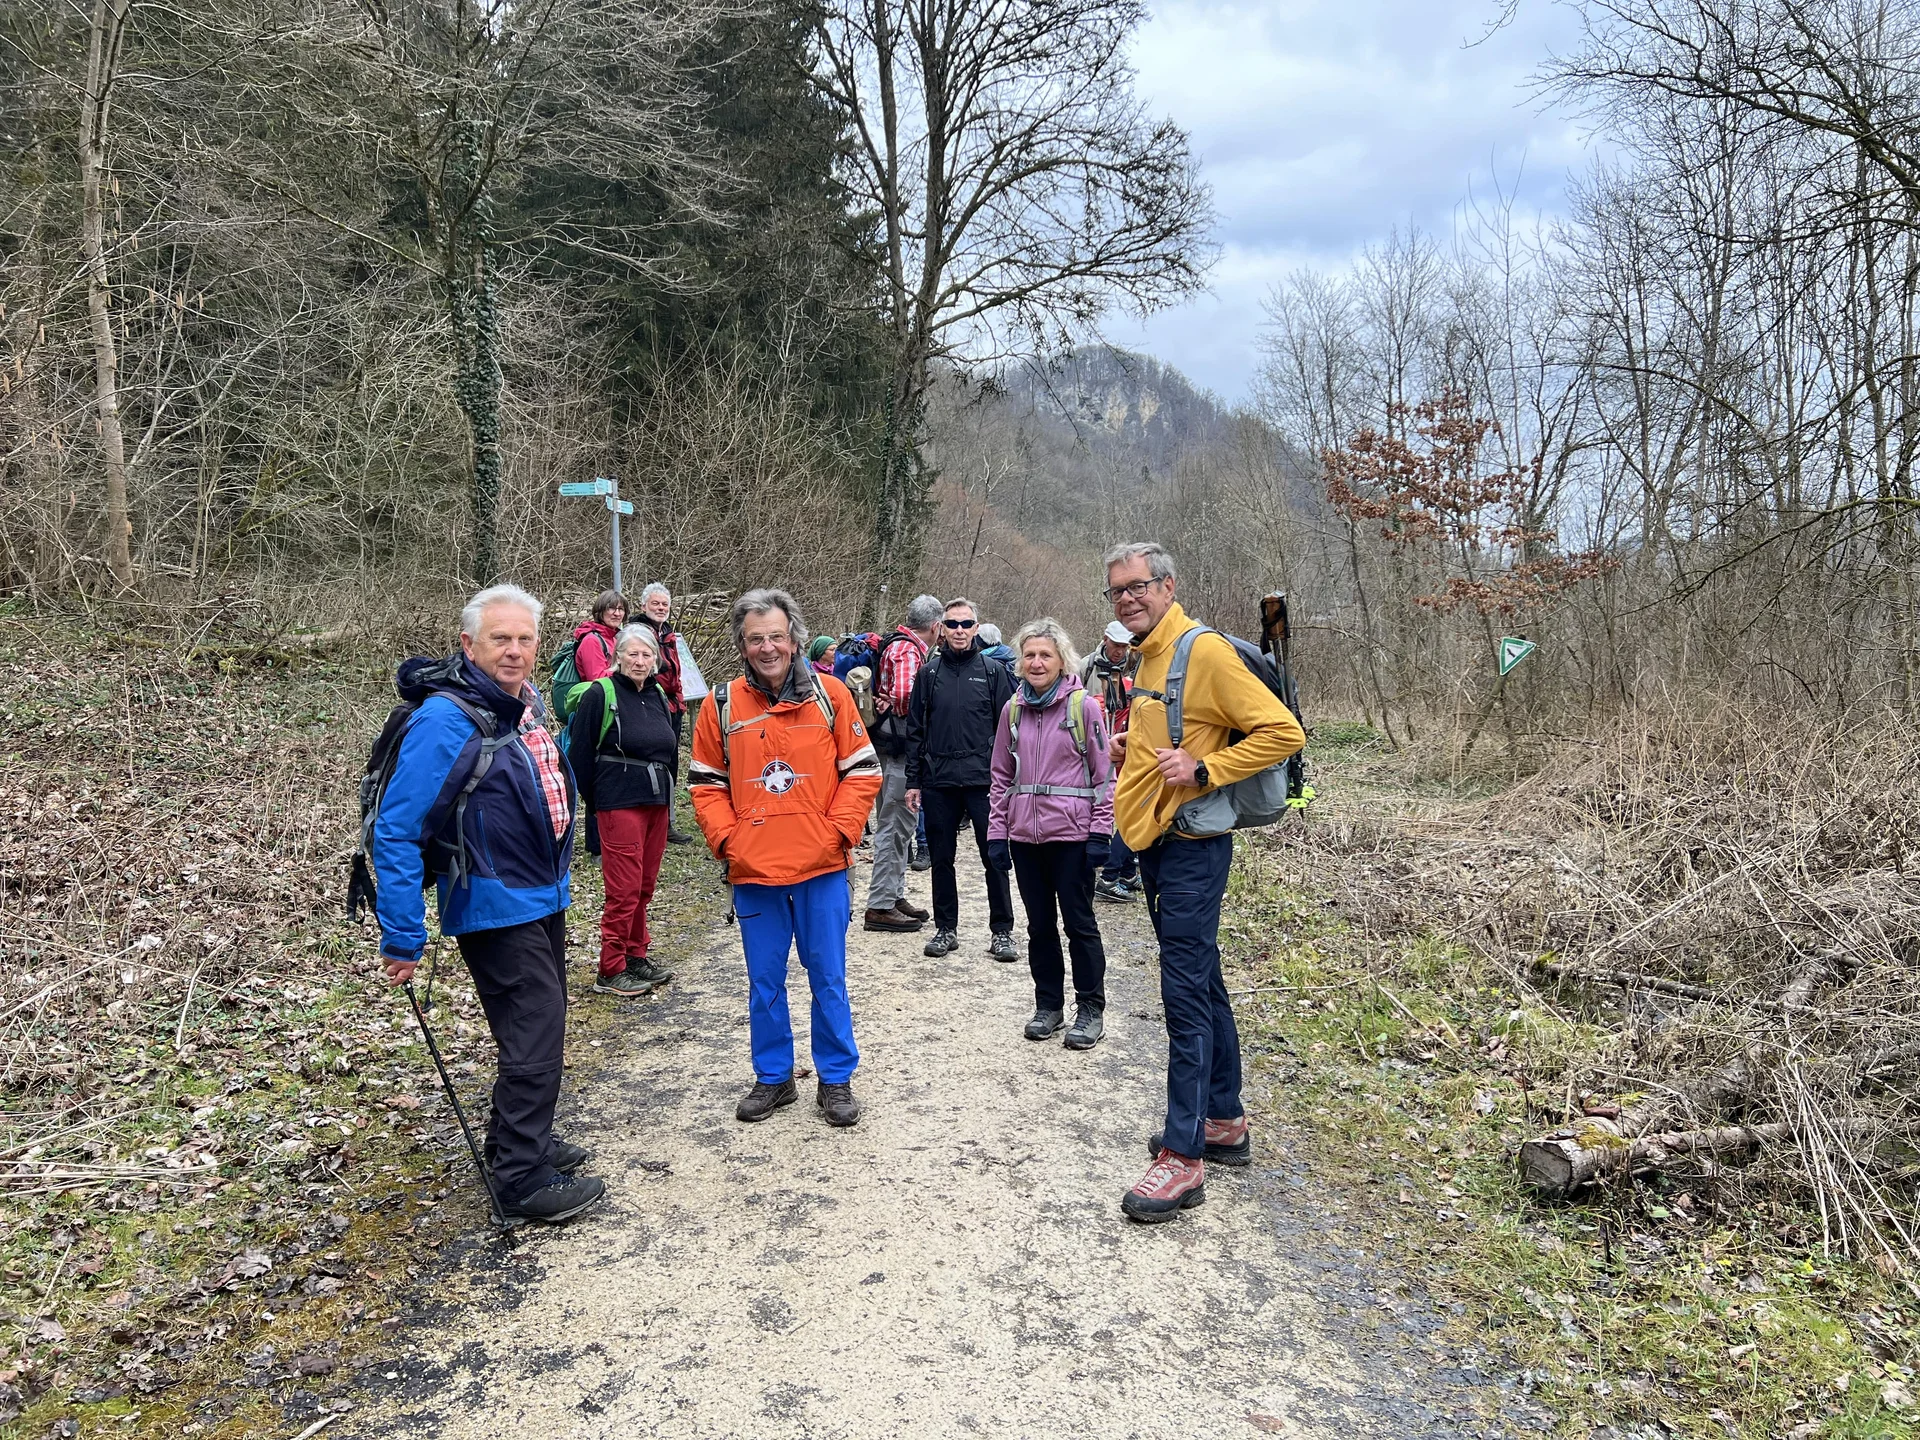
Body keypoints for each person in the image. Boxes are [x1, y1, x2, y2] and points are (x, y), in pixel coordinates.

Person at [372, 584, 603, 1225]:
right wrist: (402, 933)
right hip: (495, 899)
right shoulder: (446, 719)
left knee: (536, 1024)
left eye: (525, 639)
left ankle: (517, 1139)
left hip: (539, 893)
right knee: (536, 1031)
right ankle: (520, 1180)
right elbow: (396, 828)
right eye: (501, 638)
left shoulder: (518, 707)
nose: (515, 650)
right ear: (469, 645)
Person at [1104, 543, 1304, 1224]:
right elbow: (1177, 734)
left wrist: (1206, 772)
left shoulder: (1203, 651)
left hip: (1194, 848)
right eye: (1117, 591)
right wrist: (1129, 748)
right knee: (1203, 979)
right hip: (1158, 842)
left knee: (1183, 995)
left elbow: (1281, 731)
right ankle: (1224, 1119)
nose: (1127, 598)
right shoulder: (1147, 654)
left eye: (1138, 587)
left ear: (1167, 586)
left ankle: (1184, 1160)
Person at [689, 589, 882, 1127]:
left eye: (776, 636)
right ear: (742, 645)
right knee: (764, 981)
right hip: (754, 872)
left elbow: (863, 771)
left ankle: (836, 1079)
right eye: (756, 639)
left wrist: (836, 833)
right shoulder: (721, 705)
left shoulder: (832, 696)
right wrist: (731, 842)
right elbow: (705, 784)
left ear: (795, 638)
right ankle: (773, 1078)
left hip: (821, 868)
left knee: (828, 976)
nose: (768, 647)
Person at [986, 619, 1113, 1049]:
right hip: (1025, 838)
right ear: (1019, 661)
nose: (1036, 663)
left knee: (1079, 924)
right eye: (1029, 655)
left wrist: (1101, 831)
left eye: (1045, 655)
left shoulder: (1083, 708)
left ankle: (1090, 1009)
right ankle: (1049, 1006)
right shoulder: (1013, 710)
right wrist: (996, 833)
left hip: (1072, 837)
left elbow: (1103, 774)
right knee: (1040, 926)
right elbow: (1000, 776)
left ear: (1062, 660)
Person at [568, 623, 679, 999]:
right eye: (632, 653)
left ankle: (636, 954)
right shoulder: (602, 693)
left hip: (655, 802)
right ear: (618, 656)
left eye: (646, 654)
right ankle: (610, 968)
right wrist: (597, 803)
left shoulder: (658, 694)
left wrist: (668, 794)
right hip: (619, 803)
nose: (640, 660)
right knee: (624, 890)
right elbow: (578, 755)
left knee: (644, 886)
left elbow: (670, 750)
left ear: (655, 659)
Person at [904, 597, 1017, 960]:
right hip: (939, 780)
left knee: (995, 857)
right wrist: (913, 781)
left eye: (966, 624)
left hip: (985, 782)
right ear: (943, 628)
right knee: (941, 858)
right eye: (952, 624)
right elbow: (916, 730)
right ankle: (945, 928)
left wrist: (1011, 779)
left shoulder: (993, 672)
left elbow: (1011, 730)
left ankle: (1002, 932)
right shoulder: (929, 673)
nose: (959, 631)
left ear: (976, 628)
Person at [862, 594, 942, 933]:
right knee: (895, 826)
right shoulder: (909, 651)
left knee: (898, 825)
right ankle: (880, 904)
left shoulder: (897, 644)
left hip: (888, 748)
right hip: (898, 753)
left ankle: (893, 895)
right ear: (936, 626)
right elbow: (910, 697)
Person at [1083, 620, 1142, 902]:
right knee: (1124, 810)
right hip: (1095, 750)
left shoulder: (1133, 668)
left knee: (1128, 808)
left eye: (1124, 646)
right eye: (1116, 644)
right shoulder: (1085, 667)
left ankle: (1126, 870)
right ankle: (1108, 875)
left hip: (1126, 750)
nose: (1120, 651)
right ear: (1105, 639)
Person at [637, 582, 694, 845]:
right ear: (643, 605)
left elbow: (676, 674)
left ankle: (666, 824)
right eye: (655, 604)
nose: (660, 608)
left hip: (672, 707)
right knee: (651, 764)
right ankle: (649, 824)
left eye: (664, 605)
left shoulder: (668, 635)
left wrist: (679, 700)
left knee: (670, 764)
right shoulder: (638, 633)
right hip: (650, 706)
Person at [570, 591, 626, 683]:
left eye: (621, 609)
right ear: (600, 611)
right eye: (611, 608)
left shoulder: (614, 638)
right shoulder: (591, 640)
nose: (617, 613)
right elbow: (597, 680)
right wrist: (626, 669)